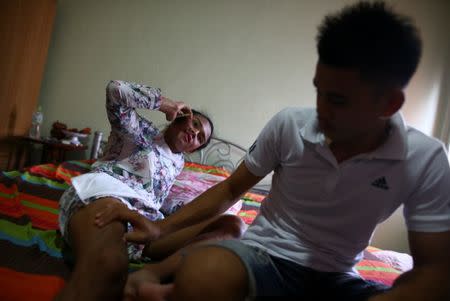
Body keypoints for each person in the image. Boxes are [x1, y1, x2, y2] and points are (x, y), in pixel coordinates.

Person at [94, 2, 450, 300]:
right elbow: (232, 188)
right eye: (318, 91)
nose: (321, 110)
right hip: (264, 256)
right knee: (205, 275)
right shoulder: (290, 124)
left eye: (338, 100)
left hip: (339, 277)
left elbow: (435, 270)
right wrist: (160, 230)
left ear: (389, 103)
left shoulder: (426, 159)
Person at [56, 80, 244, 301]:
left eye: (201, 138)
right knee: (109, 267)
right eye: (194, 124)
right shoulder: (140, 132)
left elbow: (157, 196)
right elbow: (115, 90)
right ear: (181, 118)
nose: (195, 133)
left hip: (148, 225)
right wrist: (166, 104)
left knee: (232, 226)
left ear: (195, 148)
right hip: (107, 196)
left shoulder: (179, 163)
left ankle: (147, 276)